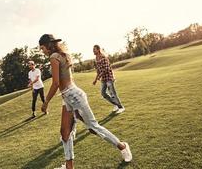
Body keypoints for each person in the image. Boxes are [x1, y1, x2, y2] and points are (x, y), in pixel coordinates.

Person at [39, 34, 132, 169]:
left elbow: (55, 83)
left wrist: (46, 102)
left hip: (74, 96)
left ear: (48, 45)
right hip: (69, 97)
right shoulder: (62, 55)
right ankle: (69, 166)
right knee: (65, 132)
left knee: (94, 127)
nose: (43, 51)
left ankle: (123, 146)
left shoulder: (54, 57)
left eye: (42, 48)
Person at [93, 45, 125, 113]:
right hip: (103, 79)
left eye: (94, 49)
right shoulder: (96, 59)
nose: (93, 51)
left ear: (98, 50)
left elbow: (106, 68)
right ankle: (116, 105)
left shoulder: (103, 57)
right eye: (93, 49)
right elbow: (98, 71)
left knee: (112, 93)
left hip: (109, 77)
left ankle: (121, 107)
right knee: (103, 93)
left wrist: (99, 76)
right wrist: (95, 80)